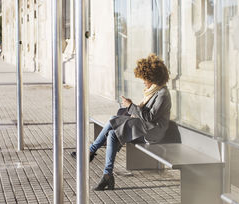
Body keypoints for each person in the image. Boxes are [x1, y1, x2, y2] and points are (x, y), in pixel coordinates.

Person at [72, 54, 171, 190]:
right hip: (144, 127)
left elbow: (150, 117)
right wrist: (132, 107)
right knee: (113, 133)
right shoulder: (153, 91)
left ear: (153, 78)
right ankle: (107, 175)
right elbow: (145, 114)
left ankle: (90, 152)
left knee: (113, 120)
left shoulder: (162, 94)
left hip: (153, 131)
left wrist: (131, 106)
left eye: (145, 79)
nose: (143, 82)